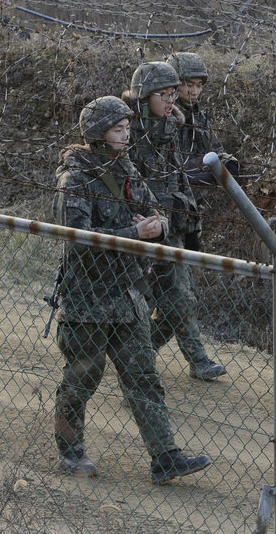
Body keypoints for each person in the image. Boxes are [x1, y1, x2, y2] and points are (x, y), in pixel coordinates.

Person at [52, 95, 212, 484]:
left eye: (127, 129)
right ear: (98, 135)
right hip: (88, 298)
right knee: (82, 378)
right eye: (118, 130)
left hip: (128, 296)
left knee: (143, 378)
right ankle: (71, 451)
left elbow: (157, 212)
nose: (126, 135)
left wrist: (159, 227)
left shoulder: (127, 169)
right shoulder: (75, 180)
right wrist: (133, 233)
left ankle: (165, 457)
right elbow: (79, 239)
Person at [123, 62, 227, 382]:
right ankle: (143, 364)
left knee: (181, 299)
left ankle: (151, 357)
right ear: (144, 96)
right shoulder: (130, 133)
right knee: (146, 304)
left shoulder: (171, 127)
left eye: (173, 93)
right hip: (141, 229)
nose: (173, 101)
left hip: (171, 225)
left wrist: (189, 222)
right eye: (164, 94)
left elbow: (178, 177)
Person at [166, 51, 239, 254]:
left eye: (199, 85)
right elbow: (173, 165)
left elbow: (215, 150)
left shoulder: (197, 116)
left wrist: (224, 163)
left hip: (193, 206)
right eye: (189, 85)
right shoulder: (167, 118)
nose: (194, 91)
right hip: (172, 207)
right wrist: (211, 168)